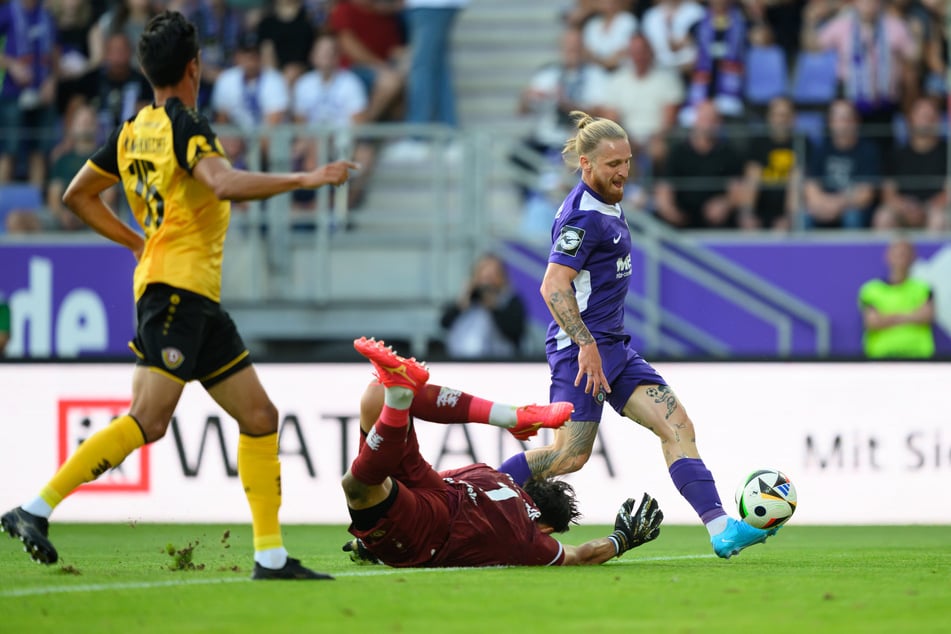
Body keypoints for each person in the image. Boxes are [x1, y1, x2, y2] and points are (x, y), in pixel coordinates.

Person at [0, 10, 357, 580]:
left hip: (187, 294)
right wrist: (305, 179)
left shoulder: (132, 129)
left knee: (261, 416)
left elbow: (76, 194)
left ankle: (269, 557)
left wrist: (136, 242)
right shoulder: (185, 123)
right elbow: (222, 182)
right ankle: (33, 508)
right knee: (150, 417)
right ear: (194, 67)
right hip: (176, 293)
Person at [496, 110, 780, 559]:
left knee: (677, 424)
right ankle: (478, 496)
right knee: (569, 457)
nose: (624, 172)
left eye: (627, 161)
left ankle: (722, 528)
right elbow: (553, 285)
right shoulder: (582, 217)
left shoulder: (608, 203)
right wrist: (586, 345)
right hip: (581, 350)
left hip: (614, 348)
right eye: (613, 164)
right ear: (586, 164)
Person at [343, 336, 664, 567]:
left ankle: (506, 415)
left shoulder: (497, 476)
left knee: (374, 397)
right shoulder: (530, 540)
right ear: (548, 526)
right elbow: (583, 554)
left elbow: (430, 482)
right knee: (358, 488)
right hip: (432, 530)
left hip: (436, 491)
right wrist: (622, 539)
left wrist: (369, 541)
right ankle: (400, 400)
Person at [654, 100, 745, 229]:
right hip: (681, 218)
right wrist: (670, 212)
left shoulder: (729, 154)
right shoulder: (678, 152)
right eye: (704, 119)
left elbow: (738, 189)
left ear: (719, 123)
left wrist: (726, 203)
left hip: (717, 220)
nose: (707, 125)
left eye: (712, 119)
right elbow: (664, 188)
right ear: (695, 121)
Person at [803, 99, 882, 229]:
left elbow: (866, 195)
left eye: (847, 118)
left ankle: (854, 250)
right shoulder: (820, 149)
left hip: (852, 209)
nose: (843, 124)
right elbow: (810, 189)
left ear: (856, 122)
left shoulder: (868, 150)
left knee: (852, 217)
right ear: (830, 122)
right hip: (824, 206)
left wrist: (836, 204)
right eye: (838, 118)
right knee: (802, 217)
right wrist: (824, 204)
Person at [873, 97, 948, 232]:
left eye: (930, 116)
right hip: (904, 210)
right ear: (911, 119)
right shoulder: (896, 154)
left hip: (933, 209)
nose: (926, 121)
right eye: (921, 116)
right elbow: (888, 194)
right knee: (883, 217)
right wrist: (905, 207)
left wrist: (926, 207)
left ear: (938, 120)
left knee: (939, 219)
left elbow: (949, 193)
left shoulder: (948, 152)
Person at [858, 238, 935, 359]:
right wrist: (911, 315)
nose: (901, 259)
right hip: (881, 357)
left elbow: (926, 316)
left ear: (913, 258)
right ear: (888, 256)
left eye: (905, 254)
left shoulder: (923, 288)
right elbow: (872, 322)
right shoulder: (871, 289)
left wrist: (888, 318)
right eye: (897, 253)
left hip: (918, 357)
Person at [439, 253, 527, 359]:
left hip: (501, 364)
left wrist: (493, 306)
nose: (487, 283)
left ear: (502, 278)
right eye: (483, 276)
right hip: (462, 363)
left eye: (492, 277)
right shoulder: (466, 302)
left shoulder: (511, 301)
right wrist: (463, 303)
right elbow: (444, 324)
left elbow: (515, 332)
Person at [740, 95, 802, 231]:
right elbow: (752, 178)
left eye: (785, 115)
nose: (781, 120)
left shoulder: (801, 142)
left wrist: (789, 218)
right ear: (769, 117)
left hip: (790, 210)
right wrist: (748, 215)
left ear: (793, 118)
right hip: (761, 207)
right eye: (776, 115)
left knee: (797, 178)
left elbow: (798, 180)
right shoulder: (758, 143)